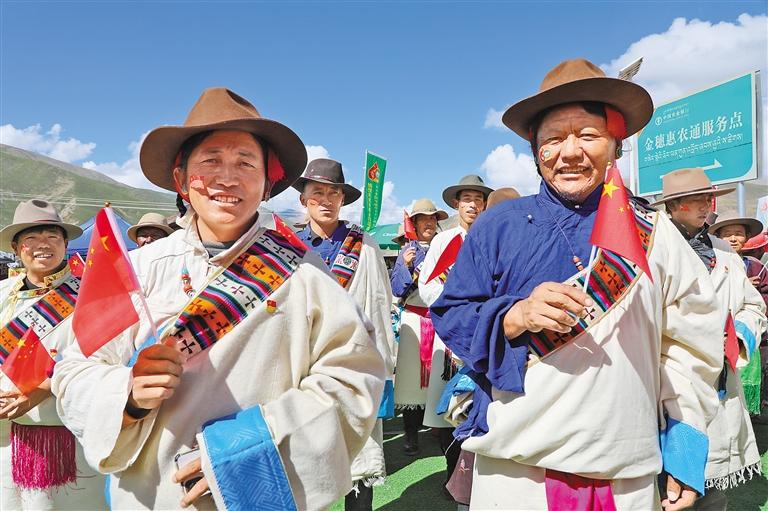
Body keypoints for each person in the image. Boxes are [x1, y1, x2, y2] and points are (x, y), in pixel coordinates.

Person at [51, 88, 385, 510]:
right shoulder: (137, 269)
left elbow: (353, 378)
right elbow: (73, 371)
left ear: (267, 184)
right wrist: (129, 397)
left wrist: (242, 452)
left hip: (261, 492)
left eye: (246, 163)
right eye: (210, 161)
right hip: (152, 496)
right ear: (181, 180)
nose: (227, 178)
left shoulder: (306, 274)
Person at [431, 59, 724, 510]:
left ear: (615, 146)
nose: (569, 152)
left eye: (587, 135)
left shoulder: (655, 233)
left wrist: (684, 445)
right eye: (553, 139)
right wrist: (513, 316)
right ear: (536, 151)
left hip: (626, 470)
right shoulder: (498, 226)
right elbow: (452, 315)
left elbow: (690, 343)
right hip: (517, 470)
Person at [653, 169, 766, 507]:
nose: (706, 205)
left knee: (713, 483)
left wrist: (738, 336)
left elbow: (753, 305)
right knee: (666, 479)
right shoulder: (652, 248)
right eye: (696, 199)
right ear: (674, 205)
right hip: (668, 380)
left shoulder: (726, 254)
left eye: (708, 198)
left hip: (720, 376)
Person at [294, 158, 396, 511]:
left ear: (342, 199)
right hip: (301, 361)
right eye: (317, 192)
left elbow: (380, 303)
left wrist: (382, 363)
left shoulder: (364, 246)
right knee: (301, 455)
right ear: (303, 199)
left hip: (353, 361)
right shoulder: (287, 246)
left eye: (333, 193)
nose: (325, 200)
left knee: (359, 456)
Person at [0, 199, 107, 510]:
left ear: (65, 245)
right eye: (31, 238)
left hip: (64, 439)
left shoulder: (88, 294)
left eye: (52, 237)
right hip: (5, 438)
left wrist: (41, 390)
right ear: (17, 247)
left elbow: (101, 359)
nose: (42, 245)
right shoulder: (3, 292)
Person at [418, 174, 493, 495]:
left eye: (478, 199)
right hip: (451, 337)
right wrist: (456, 309)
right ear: (456, 204)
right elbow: (426, 286)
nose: (472, 205)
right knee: (449, 408)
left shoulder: (493, 236)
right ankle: (453, 476)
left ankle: (480, 479)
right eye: (467, 199)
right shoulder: (443, 242)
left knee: (483, 404)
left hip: (487, 335)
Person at [389, 198, 448, 456]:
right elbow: (396, 289)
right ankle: (411, 434)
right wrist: (406, 266)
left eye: (432, 218)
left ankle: (441, 430)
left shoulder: (446, 248)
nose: (429, 223)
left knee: (441, 376)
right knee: (411, 381)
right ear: (414, 223)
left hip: (441, 319)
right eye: (423, 218)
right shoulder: (407, 251)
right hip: (414, 320)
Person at [711, 212, 768, 416]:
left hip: (749, 334)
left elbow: (763, 301)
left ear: (747, 237)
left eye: (738, 233)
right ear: (717, 237)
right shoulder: (709, 262)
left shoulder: (756, 267)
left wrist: (751, 291)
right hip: (717, 335)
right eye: (727, 234)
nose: (733, 238)